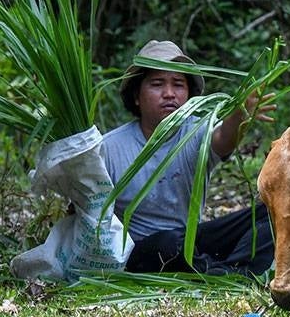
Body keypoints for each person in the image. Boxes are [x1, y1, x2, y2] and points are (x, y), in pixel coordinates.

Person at [103, 40, 276, 275]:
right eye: (157, 84)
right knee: (168, 244)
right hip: (144, 252)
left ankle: (228, 272)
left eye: (178, 85)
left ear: (189, 95)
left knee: (273, 213)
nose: (169, 94)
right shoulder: (110, 147)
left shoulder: (196, 132)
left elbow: (223, 138)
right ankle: (224, 272)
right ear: (136, 96)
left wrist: (239, 115)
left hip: (191, 241)